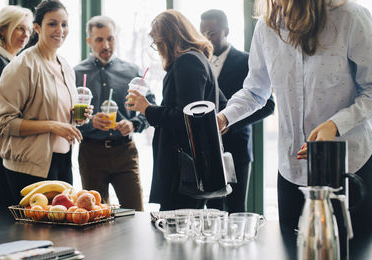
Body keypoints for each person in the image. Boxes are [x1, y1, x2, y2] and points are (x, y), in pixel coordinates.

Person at [217, 0, 372, 237]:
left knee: (352, 255)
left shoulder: (351, 17)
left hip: (349, 167)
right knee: (292, 253)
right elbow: (256, 90)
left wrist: (336, 125)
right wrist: (225, 117)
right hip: (292, 170)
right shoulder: (266, 27)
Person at [0, 0, 92, 203]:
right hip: (30, 167)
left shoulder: (65, 66)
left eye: (64, 24)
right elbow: (3, 123)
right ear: (37, 27)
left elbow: (56, 112)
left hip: (63, 162)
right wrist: (53, 126)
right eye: (52, 24)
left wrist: (75, 118)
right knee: (37, 234)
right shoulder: (23, 66)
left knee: (64, 232)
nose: (60, 30)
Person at [126, 10, 226, 211]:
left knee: (174, 233)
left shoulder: (187, 62)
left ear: (168, 40)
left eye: (158, 43)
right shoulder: (199, 59)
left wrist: (147, 108)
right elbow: (220, 105)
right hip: (193, 167)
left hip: (183, 171)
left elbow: (187, 118)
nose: (158, 49)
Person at [74, 16, 155, 211]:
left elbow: (151, 107)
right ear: (89, 42)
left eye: (110, 38)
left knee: (135, 214)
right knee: (95, 218)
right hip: (90, 153)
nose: (106, 45)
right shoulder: (76, 73)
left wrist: (133, 124)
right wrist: (89, 123)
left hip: (125, 152)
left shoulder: (132, 72)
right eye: (99, 40)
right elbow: (68, 116)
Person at [200, 9, 275, 213]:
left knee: (237, 209)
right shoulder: (199, 62)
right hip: (210, 151)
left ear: (226, 31)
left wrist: (230, 123)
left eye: (212, 33)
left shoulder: (246, 61)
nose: (206, 38)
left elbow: (269, 105)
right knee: (213, 210)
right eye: (203, 33)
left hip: (238, 147)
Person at [0, 6, 33, 206]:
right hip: (1, 153)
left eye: (27, 30)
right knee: (9, 220)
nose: (25, 35)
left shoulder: (13, 63)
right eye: (19, 28)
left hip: (12, 152)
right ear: (2, 30)